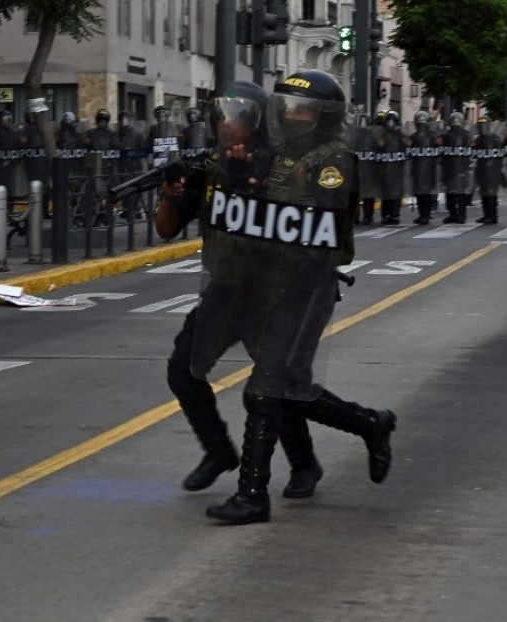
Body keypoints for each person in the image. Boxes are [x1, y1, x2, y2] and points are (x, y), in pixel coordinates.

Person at [160, 72, 398, 525]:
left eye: (302, 109)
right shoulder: (274, 155)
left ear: (325, 117)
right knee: (275, 387)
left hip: (298, 291)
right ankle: (366, 425)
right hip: (245, 287)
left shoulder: (335, 162)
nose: (292, 116)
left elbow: (308, 226)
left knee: (268, 390)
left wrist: (249, 190)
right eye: (287, 107)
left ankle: (253, 495)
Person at [155, 81, 326, 502]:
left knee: (277, 384)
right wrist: (171, 195)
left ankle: (305, 463)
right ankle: (217, 451)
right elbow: (166, 228)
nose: (226, 124)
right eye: (221, 116)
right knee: (183, 370)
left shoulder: (278, 165)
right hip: (223, 289)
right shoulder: (209, 168)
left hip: (268, 293)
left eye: (236, 116)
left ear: (256, 119)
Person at [439, 111, 474, 224]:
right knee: (457, 193)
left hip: (453, 167)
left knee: (454, 193)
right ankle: (457, 215)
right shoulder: (464, 134)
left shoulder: (447, 135)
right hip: (455, 167)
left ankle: (456, 214)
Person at [406, 110, 439, 224]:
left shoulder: (416, 137)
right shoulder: (431, 136)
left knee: (423, 193)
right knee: (424, 193)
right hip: (425, 168)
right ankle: (424, 215)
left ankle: (424, 215)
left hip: (422, 168)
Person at [472, 115, 505, 224]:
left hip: (493, 169)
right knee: (484, 192)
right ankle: (486, 214)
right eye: (480, 125)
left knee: (491, 192)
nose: (482, 127)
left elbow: (501, 155)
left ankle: (492, 216)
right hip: (482, 168)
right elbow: (475, 154)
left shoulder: (495, 138)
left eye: (484, 125)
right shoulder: (478, 139)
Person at [377, 110, 407, 225]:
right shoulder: (382, 134)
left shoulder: (400, 135)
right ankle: (386, 215)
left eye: (392, 121)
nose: (390, 124)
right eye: (388, 121)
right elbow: (378, 147)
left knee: (396, 192)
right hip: (385, 168)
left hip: (396, 168)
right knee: (386, 192)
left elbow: (406, 148)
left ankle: (394, 215)